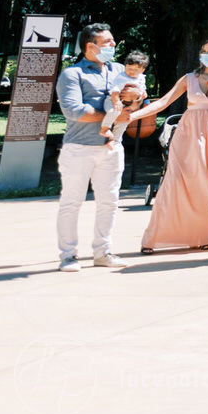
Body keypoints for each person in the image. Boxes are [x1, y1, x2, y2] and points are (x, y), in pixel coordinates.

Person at [123, 37, 208, 255]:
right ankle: (156, 236)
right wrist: (132, 116)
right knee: (177, 181)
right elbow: (163, 102)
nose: (205, 54)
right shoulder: (189, 78)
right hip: (188, 134)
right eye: (203, 50)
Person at [54, 23, 132, 271]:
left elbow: (138, 98)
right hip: (79, 148)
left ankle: (103, 252)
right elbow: (75, 111)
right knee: (71, 202)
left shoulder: (120, 70)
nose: (113, 45)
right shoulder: (72, 74)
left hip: (111, 148)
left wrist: (133, 105)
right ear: (91, 46)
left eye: (113, 41)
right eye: (108, 41)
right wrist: (108, 115)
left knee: (109, 201)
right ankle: (68, 256)